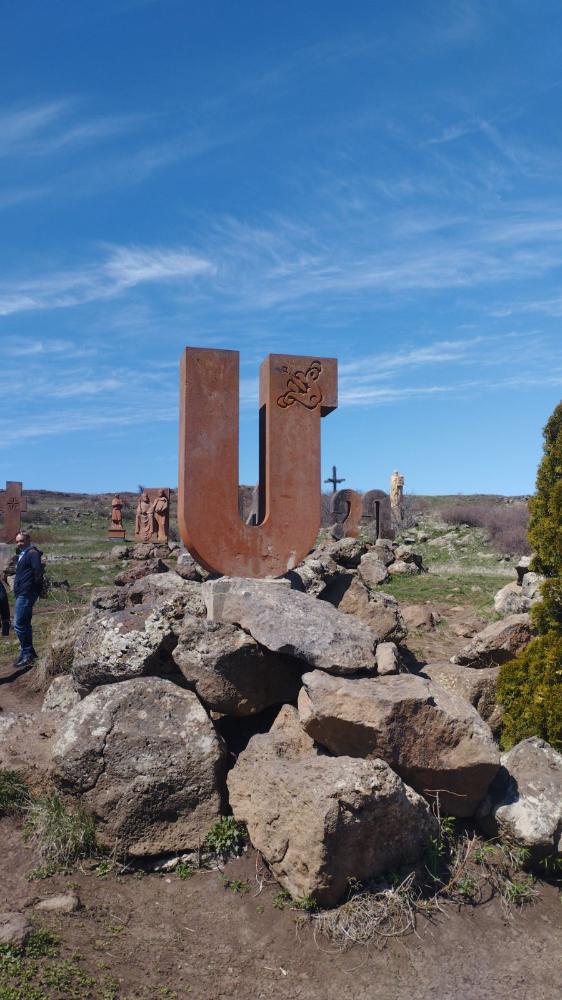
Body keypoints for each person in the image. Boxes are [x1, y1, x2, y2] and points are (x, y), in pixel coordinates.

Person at [13, 531, 43, 668]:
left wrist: (39, 590)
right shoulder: (23, 554)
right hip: (22, 592)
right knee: (24, 623)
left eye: (22, 541)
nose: (19, 543)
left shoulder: (32, 553)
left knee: (19, 624)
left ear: (28, 540)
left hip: (26, 593)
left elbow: (38, 573)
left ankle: (27, 654)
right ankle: (29, 652)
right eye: (17, 541)